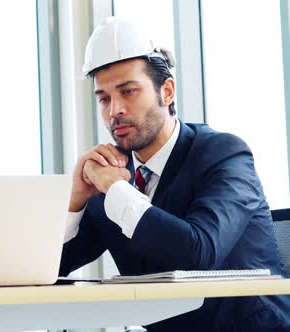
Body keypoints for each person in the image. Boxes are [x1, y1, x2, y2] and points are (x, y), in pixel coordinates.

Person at [59, 16, 290, 331]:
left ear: (166, 91)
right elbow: (52, 268)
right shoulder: (112, 174)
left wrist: (116, 191)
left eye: (128, 92)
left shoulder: (224, 154)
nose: (114, 111)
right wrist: (75, 201)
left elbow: (197, 254)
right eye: (104, 99)